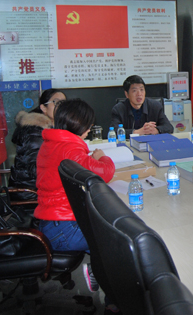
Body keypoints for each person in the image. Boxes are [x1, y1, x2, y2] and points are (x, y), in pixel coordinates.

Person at [34, 99, 116, 300]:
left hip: (51, 223)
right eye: (88, 124)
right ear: (78, 124)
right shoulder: (69, 149)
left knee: (106, 229)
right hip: (64, 229)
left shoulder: (53, 143)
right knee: (116, 241)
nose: (90, 128)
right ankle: (112, 299)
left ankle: (99, 270)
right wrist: (102, 157)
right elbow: (105, 172)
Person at [9, 88, 66, 200]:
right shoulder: (34, 131)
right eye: (56, 102)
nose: (61, 107)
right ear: (43, 108)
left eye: (63, 103)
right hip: (30, 192)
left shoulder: (51, 128)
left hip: (40, 187)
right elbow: (35, 169)